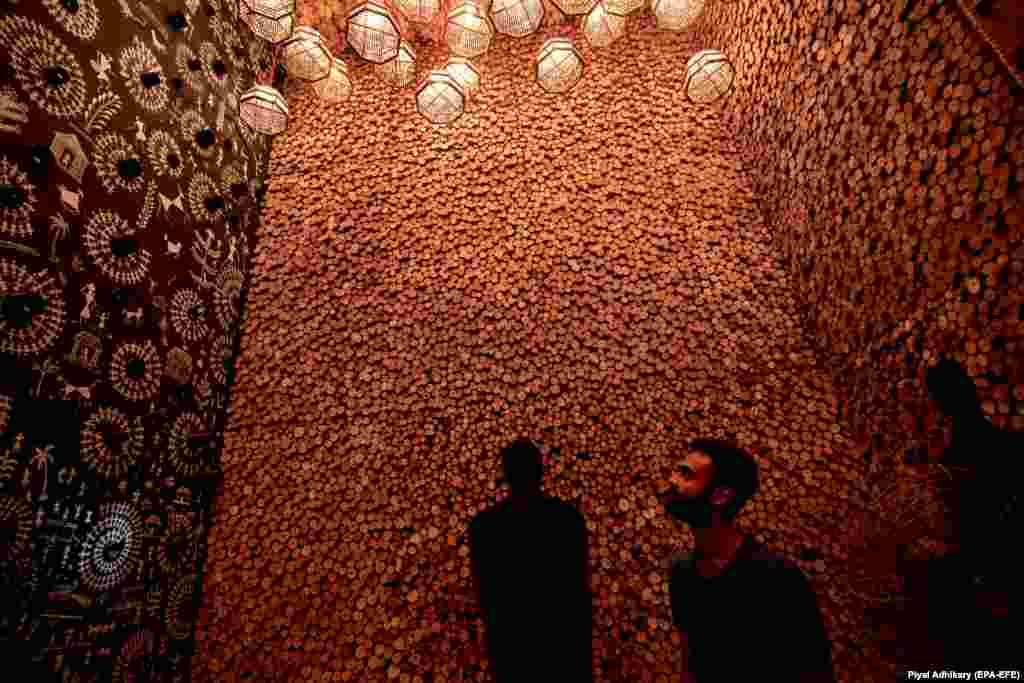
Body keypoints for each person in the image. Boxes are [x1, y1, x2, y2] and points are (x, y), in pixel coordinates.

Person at [663, 438, 835, 683]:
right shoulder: (682, 573)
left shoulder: (777, 579)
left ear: (721, 496)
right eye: (677, 470)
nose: (672, 480)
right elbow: (690, 663)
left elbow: (816, 673)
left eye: (686, 475)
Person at [922, 357, 1022, 669]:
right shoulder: (1010, 445)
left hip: (990, 568)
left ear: (940, 405)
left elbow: (960, 526)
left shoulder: (955, 462)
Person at [468, 438, 593, 682]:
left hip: (511, 652)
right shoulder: (569, 521)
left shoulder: (484, 528)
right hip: (562, 651)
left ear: (505, 474)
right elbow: (580, 592)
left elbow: (484, 597)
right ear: (541, 471)